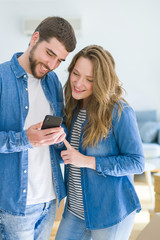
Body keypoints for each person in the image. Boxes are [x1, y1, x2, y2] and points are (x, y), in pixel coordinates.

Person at [0, 16, 77, 239]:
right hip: (16, 202)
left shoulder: (52, 82)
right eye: (50, 54)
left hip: (49, 197)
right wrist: (24, 139)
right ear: (35, 39)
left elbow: (58, 123)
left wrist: (59, 133)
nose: (52, 65)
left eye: (60, 61)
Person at [55, 45, 145, 240]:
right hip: (76, 210)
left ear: (103, 82)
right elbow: (69, 157)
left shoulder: (119, 112)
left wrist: (88, 161)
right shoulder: (72, 107)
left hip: (110, 213)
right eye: (76, 74)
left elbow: (137, 163)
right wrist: (55, 140)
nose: (78, 83)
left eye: (90, 80)